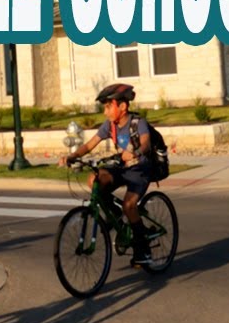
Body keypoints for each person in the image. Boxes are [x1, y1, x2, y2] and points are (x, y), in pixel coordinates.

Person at [59, 83, 156, 267]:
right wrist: (72, 156)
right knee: (94, 179)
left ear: (122, 106)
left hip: (140, 170)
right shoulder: (109, 126)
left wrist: (135, 153)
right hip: (122, 168)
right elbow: (89, 144)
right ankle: (115, 214)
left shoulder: (138, 123)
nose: (105, 112)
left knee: (129, 205)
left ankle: (143, 250)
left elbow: (146, 143)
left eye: (108, 107)